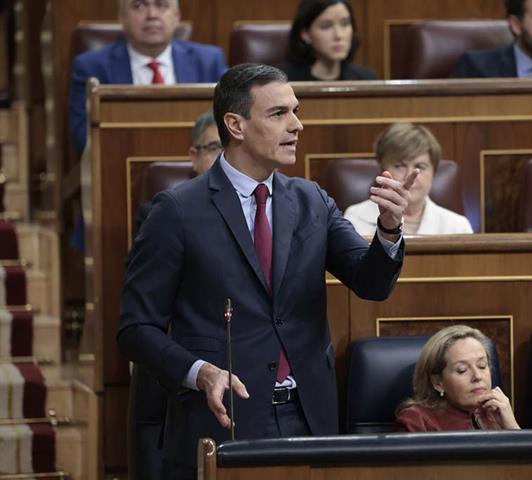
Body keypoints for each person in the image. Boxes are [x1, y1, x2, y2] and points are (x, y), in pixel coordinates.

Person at [117, 63, 416, 478]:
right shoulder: (177, 212)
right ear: (235, 125)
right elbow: (136, 329)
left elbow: (372, 284)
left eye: (296, 111)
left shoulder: (311, 200)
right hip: (223, 420)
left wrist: (388, 228)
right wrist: (199, 373)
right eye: (279, 114)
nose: (297, 125)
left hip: (309, 417)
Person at [69, 0, 227, 154]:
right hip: (123, 166)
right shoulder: (93, 67)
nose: (152, 15)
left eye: (161, 5)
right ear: (122, 17)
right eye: (139, 5)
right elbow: (83, 138)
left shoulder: (209, 62)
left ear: (177, 16)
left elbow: (229, 124)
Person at [344, 123, 473, 235]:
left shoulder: (458, 227)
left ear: (434, 172)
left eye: (420, 167)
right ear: (383, 169)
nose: (409, 175)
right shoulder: (355, 218)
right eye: (399, 166)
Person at [395, 325, 520, 432]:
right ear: (438, 382)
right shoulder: (416, 420)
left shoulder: (496, 411)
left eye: (482, 366)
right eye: (462, 370)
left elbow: (526, 460)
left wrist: (512, 426)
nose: (477, 376)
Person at [133, 110, 220, 235]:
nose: (223, 157)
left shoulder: (251, 206)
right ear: (194, 157)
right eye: (214, 148)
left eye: (228, 148)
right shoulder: (159, 215)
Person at [283, 0, 375, 81]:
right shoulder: (284, 81)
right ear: (306, 34)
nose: (338, 35)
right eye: (326, 26)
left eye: (345, 24)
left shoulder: (365, 78)